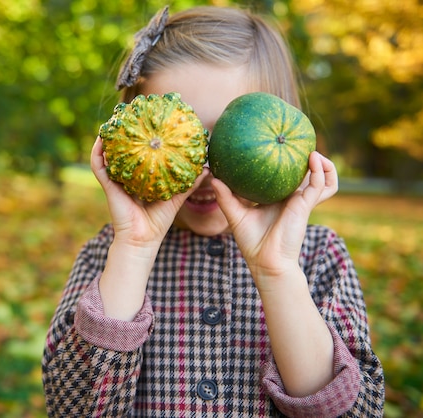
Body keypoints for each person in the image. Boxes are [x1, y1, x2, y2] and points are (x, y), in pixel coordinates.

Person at [42, 5, 385, 417]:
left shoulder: (318, 256)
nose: (202, 171)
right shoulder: (108, 256)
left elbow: (357, 412)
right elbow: (71, 408)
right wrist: (133, 250)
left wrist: (278, 273)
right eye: (181, 138)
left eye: (224, 135)